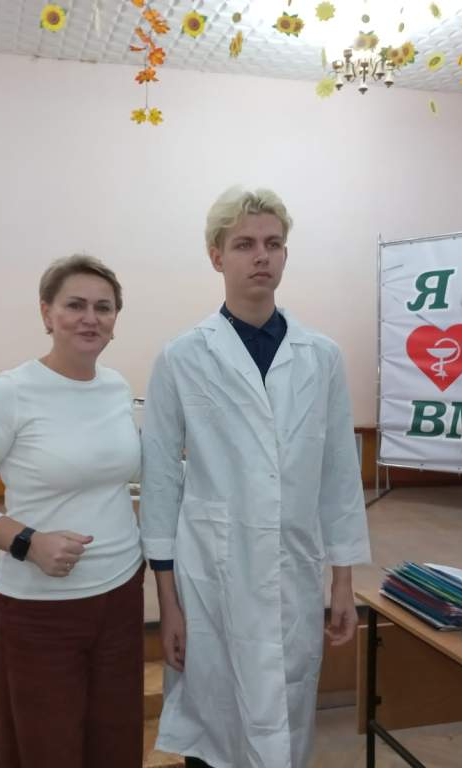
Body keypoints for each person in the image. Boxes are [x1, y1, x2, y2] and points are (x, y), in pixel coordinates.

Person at [140, 187, 371, 768]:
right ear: (216, 256)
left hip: (294, 566)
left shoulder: (321, 356)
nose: (260, 256)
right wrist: (167, 602)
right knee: (213, 715)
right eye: (244, 244)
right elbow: (162, 480)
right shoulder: (182, 357)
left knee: (286, 711)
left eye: (273, 243)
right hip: (211, 570)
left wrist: (343, 582)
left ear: (286, 254)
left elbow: (339, 474)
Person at [0, 255, 144, 768]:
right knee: (48, 751)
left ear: (115, 319)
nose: (90, 318)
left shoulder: (116, 388)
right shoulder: (12, 392)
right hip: (40, 611)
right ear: (47, 313)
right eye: (75, 305)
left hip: (121, 597)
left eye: (103, 308)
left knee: (116, 747)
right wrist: (28, 541)